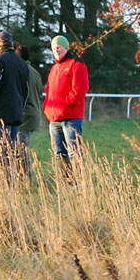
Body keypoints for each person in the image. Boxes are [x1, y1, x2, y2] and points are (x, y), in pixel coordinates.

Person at [43, 35, 89, 181]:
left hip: (71, 118)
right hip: (54, 119)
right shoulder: (54, 68)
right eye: (54, 48)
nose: (57, 50)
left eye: (59, 47)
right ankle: (67, 182)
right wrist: (47, 107)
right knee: (59, 153)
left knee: (74, 152)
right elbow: (48, 90)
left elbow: (80, 89)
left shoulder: (76, 64)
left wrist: (65, 105)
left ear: (65, 47)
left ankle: (80, 183)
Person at [0, 31, 29, 177]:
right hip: (16, 113)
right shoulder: (21, 63)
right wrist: (20, 108)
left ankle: (5, 183)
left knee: (2, 152)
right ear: (12, 44)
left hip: (0, 114)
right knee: (11, 149)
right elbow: (25, 91)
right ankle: (12, 180)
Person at [16, 45, 43, 178]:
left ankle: (25, 179)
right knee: (22, 147)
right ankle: (23, 177)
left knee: (21, 149)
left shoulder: (19, 71)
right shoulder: (35, 72)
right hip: (34, 114)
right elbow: (39, 94)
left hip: (24, 115)